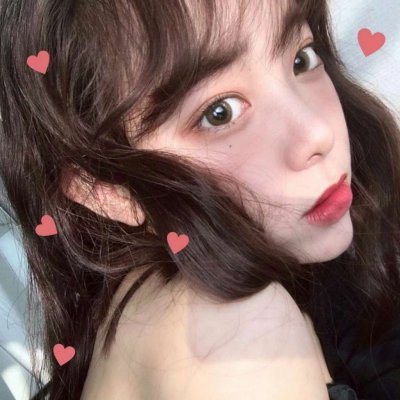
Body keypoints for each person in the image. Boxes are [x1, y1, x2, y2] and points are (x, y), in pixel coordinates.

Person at [0, 0, 399, 399]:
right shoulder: (232, 338)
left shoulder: (151, 309)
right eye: (219, 113)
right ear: (106, 192)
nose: (317, 132)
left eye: (301, 59)